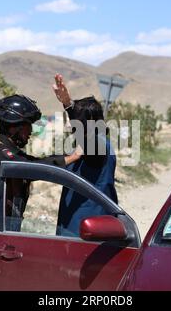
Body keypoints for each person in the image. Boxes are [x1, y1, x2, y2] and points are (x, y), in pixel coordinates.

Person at [0, 94, 82, 291]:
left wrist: (66, 158)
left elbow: (34, 162)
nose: (31, 131)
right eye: (28, 125)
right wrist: (70, 158)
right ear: (15, 126)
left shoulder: (10, 151)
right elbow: (30, 167)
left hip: (3, 232)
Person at [52, 74, 118, 237]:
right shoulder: (84, 145)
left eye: (78, 118)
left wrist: (68, 105)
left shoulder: (99, 145)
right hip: (79, 227)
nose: (72, 123)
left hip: (89, 231)